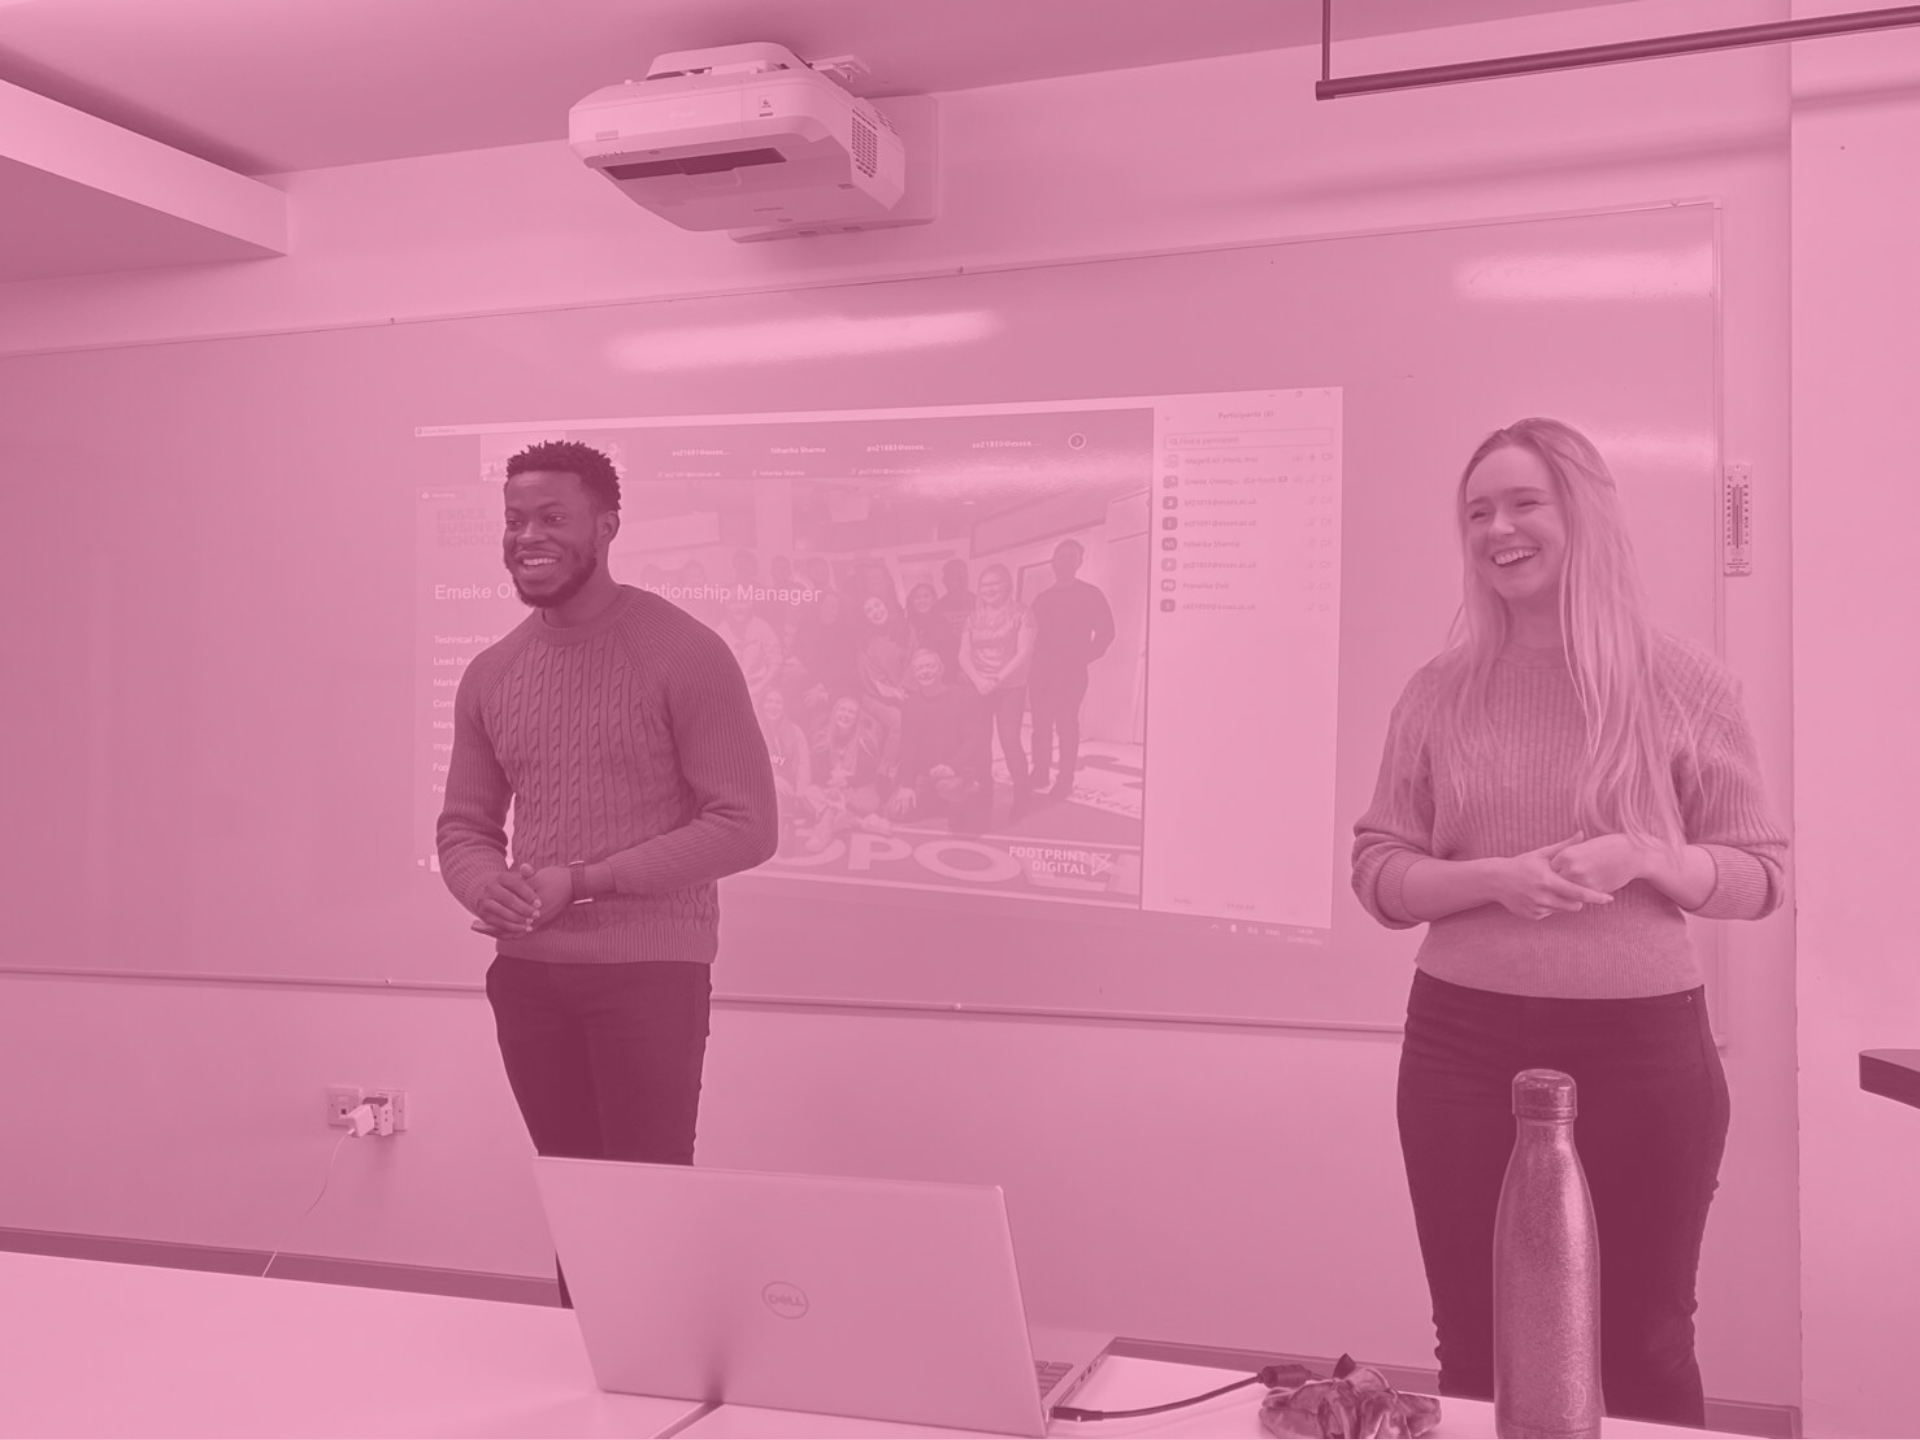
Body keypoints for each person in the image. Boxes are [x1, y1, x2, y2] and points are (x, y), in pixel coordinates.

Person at [1350, 418, 1787, 1427]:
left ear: (1580, 513)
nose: (1498, 529)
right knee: (1473, 1335)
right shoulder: (1437, 694)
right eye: (1477, 512)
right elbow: (1380, 873)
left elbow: (1760, 876)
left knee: (1644, 1337)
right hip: (1462, 1045)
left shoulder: (1686, 687)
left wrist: (1647, 855)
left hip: (1642, 1050)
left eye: (1522, 503)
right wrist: (1491, 879)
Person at [436, 439, 778, 1310]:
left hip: (650, 978)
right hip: (529, 979)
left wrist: (581, 882)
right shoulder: (491, 673)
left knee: (650, 1206)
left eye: (553, 517)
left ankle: (662, 1389)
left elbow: (746, 825)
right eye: (515, 520)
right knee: (577, 1207)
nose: (527, 536)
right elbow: (465, 829)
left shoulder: (684, 651)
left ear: (607, 526)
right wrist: (487, 885)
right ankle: (592, 1383)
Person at [1027, 538, 1115, 803]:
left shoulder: (1091, 594)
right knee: (1040, 726)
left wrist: (1082, 658)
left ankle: (1065, 780)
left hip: (1071, 673)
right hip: (1041, 673)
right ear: (1053, 562)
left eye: (1069, 557)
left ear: (1079, 562)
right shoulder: (1042, 599)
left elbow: (1106, 633)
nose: (1064, 562)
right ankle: (1040, 772)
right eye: (1059, 557)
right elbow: (1030, 636)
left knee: (1066, 727)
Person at [958, 562, 1038, 818]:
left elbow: (1024, 653)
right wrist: (978, 680)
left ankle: (1022, 794)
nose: (990, 589)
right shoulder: (973, 617)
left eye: (995, 583)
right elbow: (963, 654)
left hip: (1010, 687)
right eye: (985, 584)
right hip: (977, 686)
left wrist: (996, 679)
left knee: (1010, 741)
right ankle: (985, 791)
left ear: (1007, 585)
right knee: (980, 741)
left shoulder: (1023, 613)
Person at [886, 649, 988, 831]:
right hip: (926, 774)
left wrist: (952, 767)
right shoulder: (911, 704)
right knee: (896, 812)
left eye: (930, 666)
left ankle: (965, 794)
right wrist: (907, 785)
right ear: (914, 674)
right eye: (919, 668)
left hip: (956, 771)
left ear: (941, 669)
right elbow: (907, 747)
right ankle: (938, 803)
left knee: (947, 788)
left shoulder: (961, 696)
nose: (925, 672)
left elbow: (974, 740)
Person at [802, 695, 892, 852]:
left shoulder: (867, 739)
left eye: (851, 712)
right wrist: (834, 780)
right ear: (835, 712)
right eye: (842, 710)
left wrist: (844, 781)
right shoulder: (822, 737)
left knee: (831, 802)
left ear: (857, 717)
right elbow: (818, 772)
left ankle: (822, 833)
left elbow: (867, 775)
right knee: (808, 793)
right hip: (830, 790)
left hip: (860, 793)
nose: (846, 715)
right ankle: (861, 823)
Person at [718, 586, 783, 703]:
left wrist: (760, 687)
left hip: (761, 687)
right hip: (730, 689)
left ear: (750, 605)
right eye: (733, 602)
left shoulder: (763, 627)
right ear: (726, 606)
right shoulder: (720, 631)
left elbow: (776, 662)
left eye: (742, 602)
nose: (738, 607)